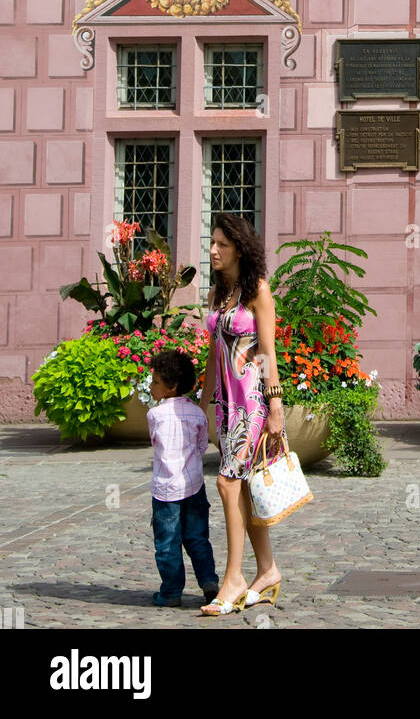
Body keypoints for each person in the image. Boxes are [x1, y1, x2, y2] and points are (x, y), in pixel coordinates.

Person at [200, 213, 285, 616]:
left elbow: (268, 352)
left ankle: (233, 579)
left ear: (240, 249)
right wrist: (204, 401)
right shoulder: (219, 294)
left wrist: (276, 405)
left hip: (251, 403)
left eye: (222, 245)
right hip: (225, 406)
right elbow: (214, 351)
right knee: (244, 489)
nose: (213, 250)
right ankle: (266, 571)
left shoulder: (258, 292)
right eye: (212, 243)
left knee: (227, 484)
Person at [146, 348, 219, 608]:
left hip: (166, 490)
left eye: (155, 382)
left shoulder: (155, 415)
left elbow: (156, 444)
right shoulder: (198, 415)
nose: (151, 386)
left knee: (167, 543)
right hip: (194, 485)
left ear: (171, 386)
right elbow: (201, 446)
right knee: (198, 538)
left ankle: (171, 591)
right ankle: (209, 581)